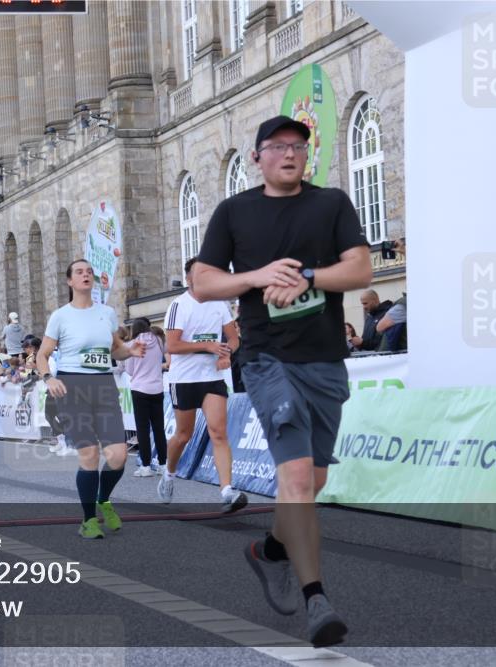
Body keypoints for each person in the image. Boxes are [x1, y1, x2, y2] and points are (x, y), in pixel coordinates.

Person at [192, 115, 372, 647]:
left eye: (298, 146)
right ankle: (318, 601)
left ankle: (269, 551)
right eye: (277, 147)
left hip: (323, 362)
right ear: (258, 157)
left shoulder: (331, 202)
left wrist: (307, 277)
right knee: (294, 479)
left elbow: (360, 269)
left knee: (311, 483)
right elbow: (202, 283)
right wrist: (257, 276)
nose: (289, 154)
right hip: (267, 361)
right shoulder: (234, 211)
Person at [38, 259, 143, 539]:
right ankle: (88, 520)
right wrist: (49, 378)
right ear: (70, 281)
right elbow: (42, 354)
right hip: (72, 387)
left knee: (118, 455)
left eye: (89, 272)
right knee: (90, 455)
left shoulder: (106, 313)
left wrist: (131, 352)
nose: (86, 275)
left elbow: (116, 351)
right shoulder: (60, 316)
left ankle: (103, 499)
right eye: (79, 272)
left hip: (104, 384)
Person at [161, 258, 247, 512]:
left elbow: (233, 339)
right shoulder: (178, 305)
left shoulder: (220, 304)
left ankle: (226, 490)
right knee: (183, 435)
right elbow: (172, 346)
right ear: (189, 279)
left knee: (218, 432)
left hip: (212, 378)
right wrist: (207, 346)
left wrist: (225, 354)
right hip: (184, 378)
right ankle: (168, 473)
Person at [123, 318, 168, 478]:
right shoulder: (158, 341)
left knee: (142, 429)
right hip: (157, 388)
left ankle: (146, 466)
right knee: (158, 428)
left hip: (140, 389)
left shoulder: (131, 345)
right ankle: (163, 464)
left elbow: (129, 370)